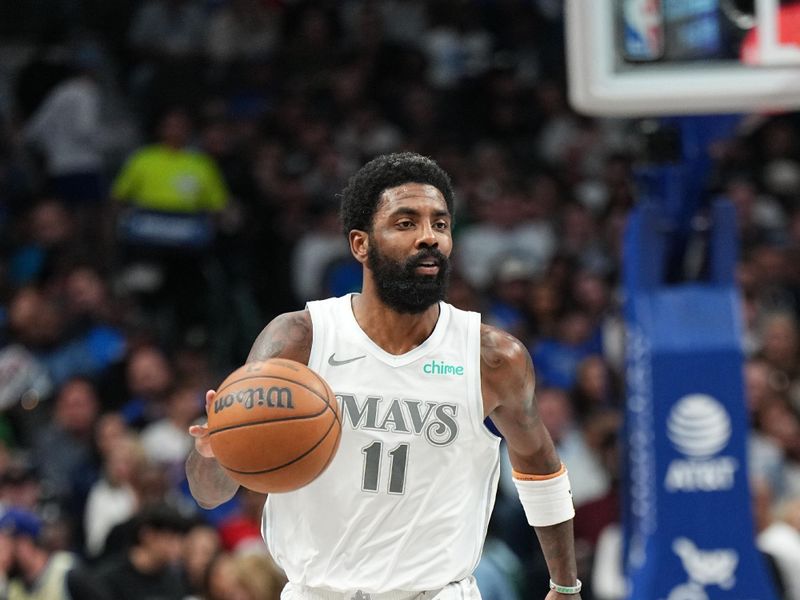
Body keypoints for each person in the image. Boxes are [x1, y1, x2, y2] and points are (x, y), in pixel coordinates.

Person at [186, 152, 581, 599]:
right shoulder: (298, 340)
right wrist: (215, 447)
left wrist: (564, 585)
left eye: (441, 224)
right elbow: (210, 494)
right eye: (406, 223)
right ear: (361, 244)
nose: (429, 237)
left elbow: (540, 467)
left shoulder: (492, 357)